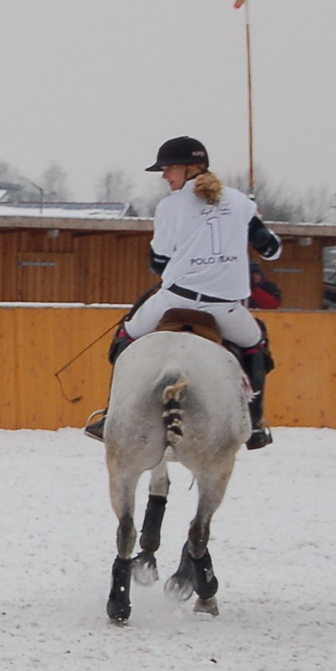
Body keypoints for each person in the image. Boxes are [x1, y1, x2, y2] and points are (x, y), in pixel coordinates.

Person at [85, 136, 282, 449]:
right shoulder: (240, 202)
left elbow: (158, 261)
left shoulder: (169, 206)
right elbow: (270, 250)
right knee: (255, 343)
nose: (164, 176)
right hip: (226, 309)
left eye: (168, 169)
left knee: (126, 335)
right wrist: (250, 219)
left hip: (174, 300)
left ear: (191, 167)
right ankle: (255, 422)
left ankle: (112, 414)